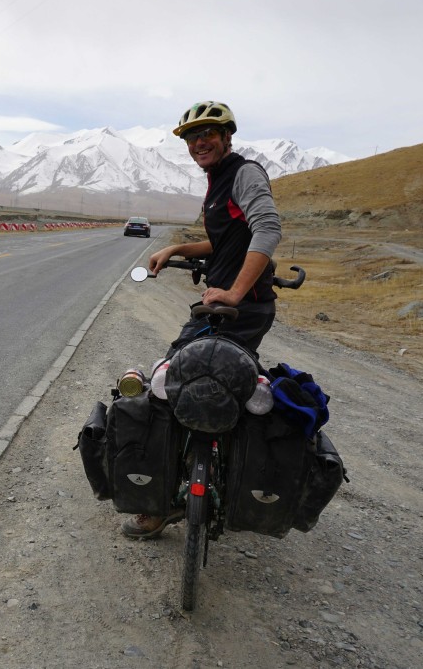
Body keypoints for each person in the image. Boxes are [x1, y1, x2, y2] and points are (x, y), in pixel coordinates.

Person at [122, 100, 283, 539]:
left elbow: (267, 228)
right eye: (192, 138)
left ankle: (160, 504)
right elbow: (225, 241)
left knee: (167, 383)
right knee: (223, 386)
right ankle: (218, 477)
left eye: (208, 134)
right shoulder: (218, 182)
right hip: (236, 306)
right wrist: (175, 249)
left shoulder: (244, 173)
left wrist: (232, 291)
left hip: (235, 308)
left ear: (228, 136)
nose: (199, 143)